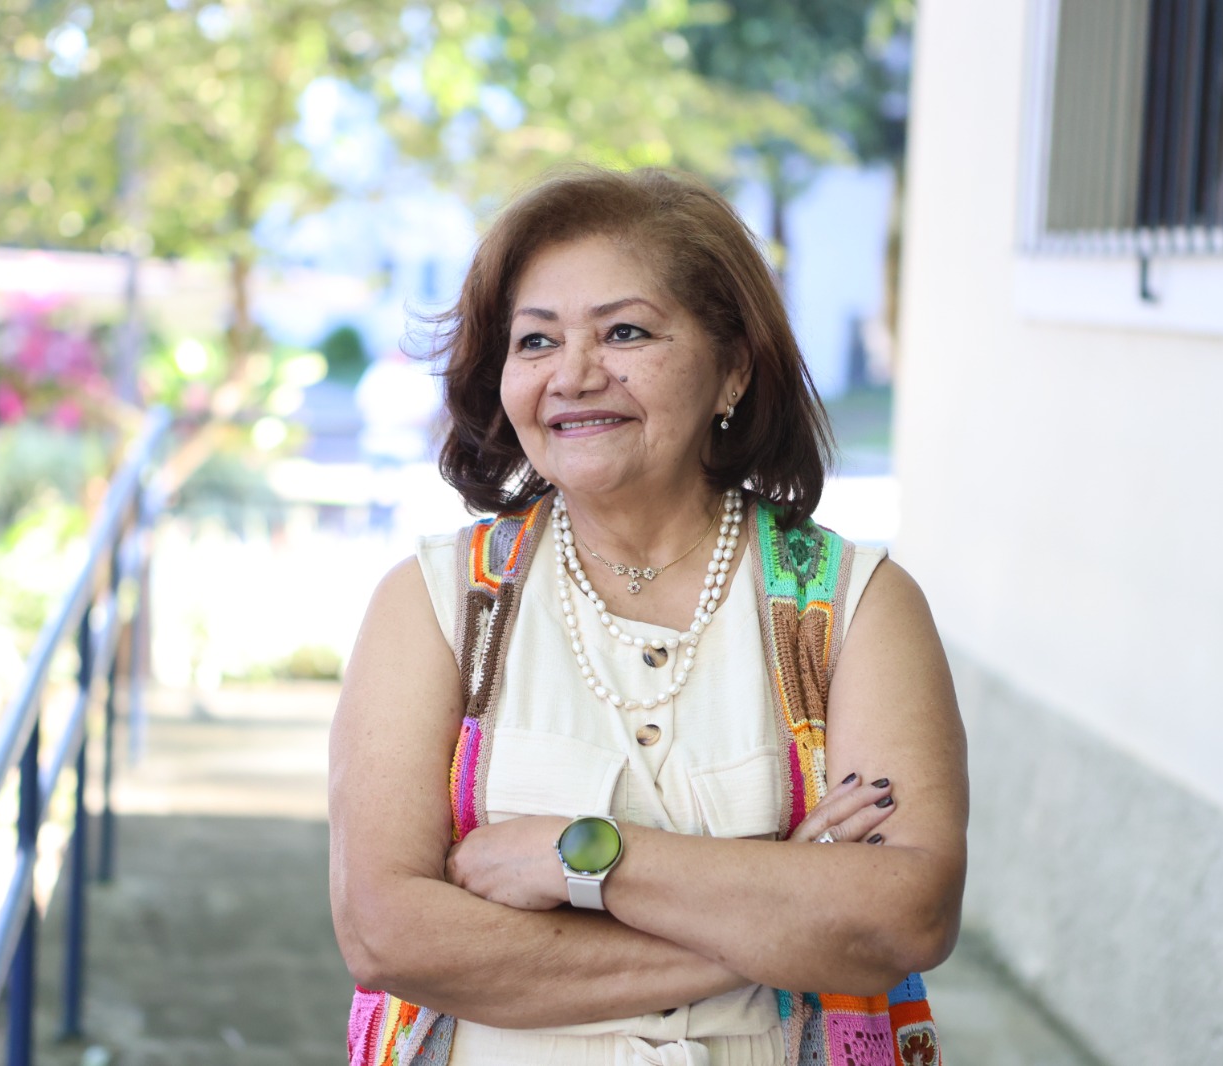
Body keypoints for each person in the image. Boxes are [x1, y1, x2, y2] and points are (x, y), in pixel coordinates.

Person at [329, 167, 967, 1066]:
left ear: (733, 368)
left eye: (625, 331)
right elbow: (386, 934)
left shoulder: (854, 604)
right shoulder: (434, 602)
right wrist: (779, 920)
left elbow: (906, 917)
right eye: (536, 340)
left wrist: (576, 857)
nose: (574, 374)